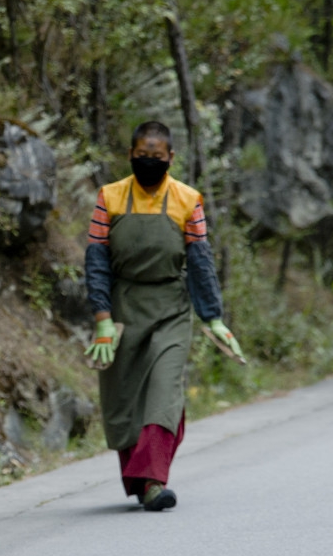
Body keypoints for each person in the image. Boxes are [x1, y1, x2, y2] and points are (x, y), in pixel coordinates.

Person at [83, 121, 242, 512]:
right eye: (142, 155)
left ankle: (154, 482)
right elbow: (96, 261)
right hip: (123, 308)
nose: (148, 162)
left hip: (171, 307)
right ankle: (139, 479)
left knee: (164, 393)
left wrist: (214, 318)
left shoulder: (188, 199)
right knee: (123, 399)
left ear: (171, 158)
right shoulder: (111, 197)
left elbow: (201, 262)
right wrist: (103, 317)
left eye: (157, 157)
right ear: (130, 155)